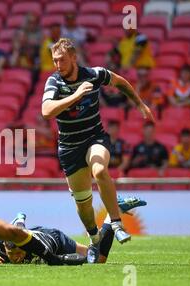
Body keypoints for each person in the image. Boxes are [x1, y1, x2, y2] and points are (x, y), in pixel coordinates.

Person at [41, 38, 155, 263]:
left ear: (74, 57)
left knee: (100, 170)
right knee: (84, 205)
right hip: (69, 148)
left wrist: (139, 103)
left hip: (95, 138)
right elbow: (46, 111)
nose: (57, 65)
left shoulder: (95, 74)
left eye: (62, 60)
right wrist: (76, 95)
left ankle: (117, 223)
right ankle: (94, 239)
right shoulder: (54, 82)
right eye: (55, 60)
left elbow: (120, 81)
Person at [0, 196, 147, 265]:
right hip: (33, 232)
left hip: (55, 239)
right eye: (12, 254)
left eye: (19, 253)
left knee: (97, 259)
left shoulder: (41, 246)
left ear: (25, 246)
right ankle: (113, 211)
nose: (16, 257)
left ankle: (112, 211)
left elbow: (53, 261)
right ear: (4, 248)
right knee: (97, 257)